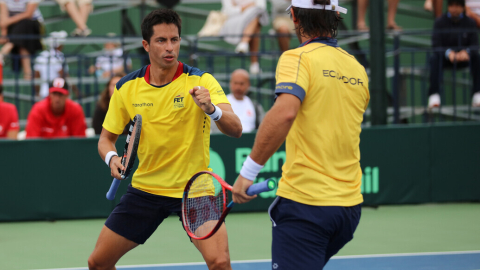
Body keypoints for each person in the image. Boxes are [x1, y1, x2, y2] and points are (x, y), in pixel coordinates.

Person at [87, 9, 242, 270]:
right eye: (161, 40)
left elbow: (236, 128)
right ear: (146, 44)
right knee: (98, 263)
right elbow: (105, 140)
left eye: (175, 39)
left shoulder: (201, 80)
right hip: (146, 190)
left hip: (195, 190)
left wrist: (211, 110)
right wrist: (112, 159)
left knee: (220, 262)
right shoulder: (127, 88)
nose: (170, 47)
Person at [232, 1, 369, 269]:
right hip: (349, 210)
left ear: (294, 16)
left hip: (307, 206)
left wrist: (247, 173)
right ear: (335, 18)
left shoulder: (297, 58)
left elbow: (285, 113)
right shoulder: (357, 68)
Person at [428, 0, 480, 108]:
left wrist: (467, 52)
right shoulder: (439, 22)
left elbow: (475, 44)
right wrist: (449, 53)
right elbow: (436, 45)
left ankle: (477, 94)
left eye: (457, 6)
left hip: (465, 58)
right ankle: (434, 96)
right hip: (446, 59)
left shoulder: (470, 22)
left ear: (462, 7)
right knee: (434, 59)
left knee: (477, 58)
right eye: (451, 5)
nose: (454, 9)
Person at [219, 0, 269, 74]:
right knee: (255, 20)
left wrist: (239, 7)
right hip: (232, 21)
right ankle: (254, 63)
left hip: (251, 19)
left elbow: (261, 8)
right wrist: (247, 7)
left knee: (255, 15)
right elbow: (229, 11)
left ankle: (244, 43)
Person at [0, 0, 44, 79]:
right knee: (21, 36)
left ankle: (7, 49)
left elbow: (28, 14)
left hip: (32, 28)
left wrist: (7, 22)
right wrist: (4, 34)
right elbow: (3, 15)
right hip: (15, 31)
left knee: (24, 24)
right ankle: (27, 72)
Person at [226, 69, 265, 133]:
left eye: (241, 84)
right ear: (230, 83)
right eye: (235, 83)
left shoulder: (255, 107)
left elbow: (262, 127)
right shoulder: (220, 104)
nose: (238, 87)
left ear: (248, 85)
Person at [34, 31, 69, 98]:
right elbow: (63, 75)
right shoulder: (59, 56)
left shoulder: (41, 56)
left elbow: (36, 77)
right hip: (57, 93)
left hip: (43, 93)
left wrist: (37, 92)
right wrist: (76, 91)